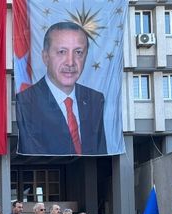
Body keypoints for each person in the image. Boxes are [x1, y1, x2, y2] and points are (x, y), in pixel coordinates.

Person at [16, 21, 106, 155]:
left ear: (86, 57)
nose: (70, 62)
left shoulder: (95, 99)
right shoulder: (26, 101)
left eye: (78, 52)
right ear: (45, 57)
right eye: (62, 52)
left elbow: (100, 154)